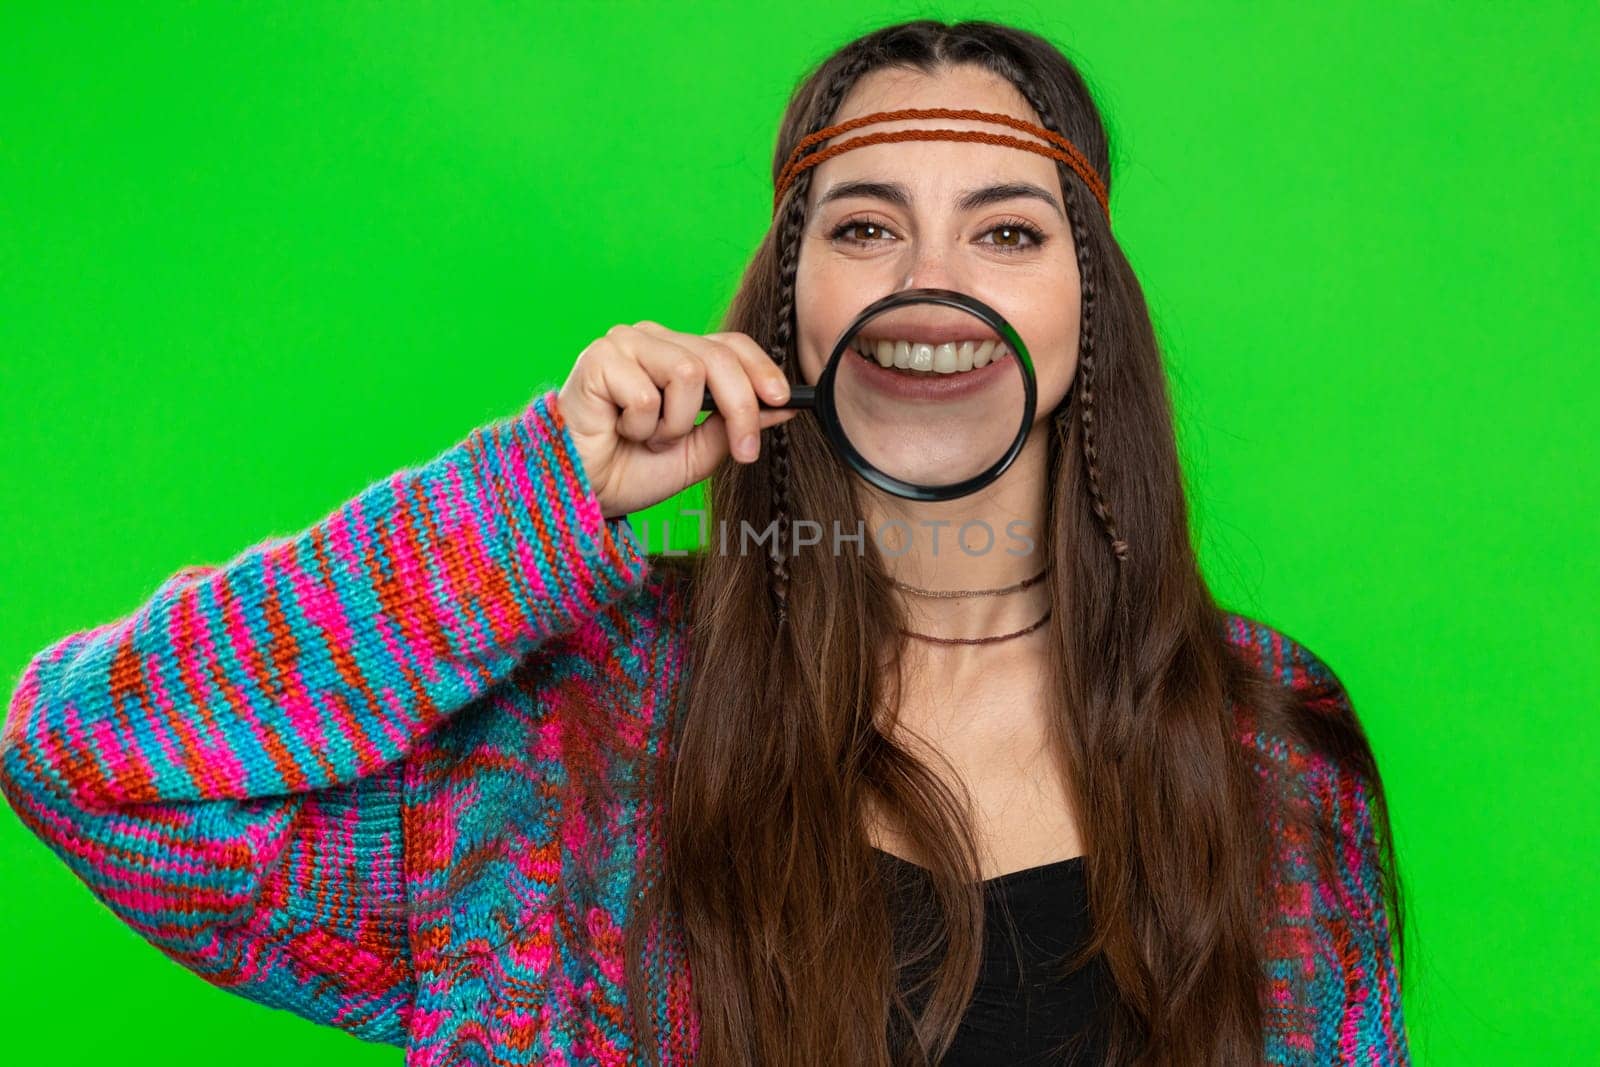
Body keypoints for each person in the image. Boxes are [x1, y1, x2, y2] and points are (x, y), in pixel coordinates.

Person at [0, 17, 1410, 1067]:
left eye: (1006, 232)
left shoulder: (1272, 747)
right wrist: (532, 497)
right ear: (789, 305)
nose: (930, 281)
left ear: (1088, 315)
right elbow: (81, 763)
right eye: (868, 224)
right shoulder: (576, 737)